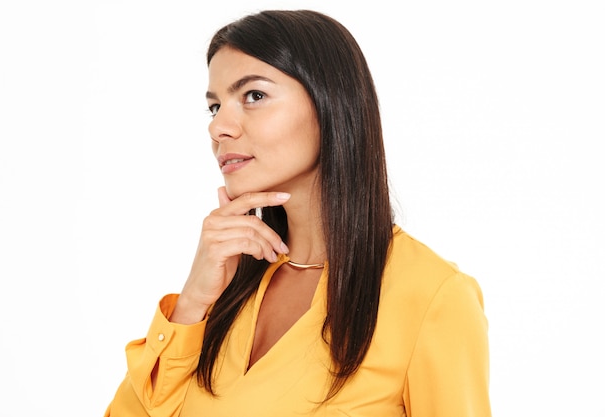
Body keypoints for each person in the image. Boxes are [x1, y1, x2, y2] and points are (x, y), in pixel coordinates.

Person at [104, 9, 491, 417]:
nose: (219, 128)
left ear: (330, 104)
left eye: (253, 96)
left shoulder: (432, 296)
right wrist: (191, 303)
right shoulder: (227, 284)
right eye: (215, 107)